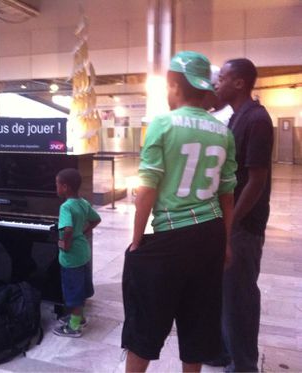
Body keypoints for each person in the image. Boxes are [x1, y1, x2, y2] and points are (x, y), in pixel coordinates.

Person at [122, 51, 237, 372]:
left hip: (172, 237)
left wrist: (136, 240)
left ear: (173, 84)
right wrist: (225, 243)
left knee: (146, 322)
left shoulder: (162, 124)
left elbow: (147, 189)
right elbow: (228, 196)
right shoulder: (223, 132)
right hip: (211, 233)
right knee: (198, 321)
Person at [213, 58, 274, 372]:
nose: (216, 84)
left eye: (221, 78)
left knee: (240, 297)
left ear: (239, 83)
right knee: (226, 292)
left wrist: (231, 221)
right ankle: (225, 351)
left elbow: (257, 180)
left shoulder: (256, 119)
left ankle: (244, 365)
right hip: (231, 220)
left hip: (244, 225)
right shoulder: (235, 117)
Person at [53, 168, 101, 338]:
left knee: (73, 291)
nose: (56, 188)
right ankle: (78, 318)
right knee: (80, 285)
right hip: (83, 252)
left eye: (57, 185)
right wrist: (84, 231)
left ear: (65, 187)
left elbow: (67, 228)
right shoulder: (83, 202)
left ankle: (74, 327)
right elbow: (96, 219)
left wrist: (65, 243)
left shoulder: (66, 206)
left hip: (71, 256)